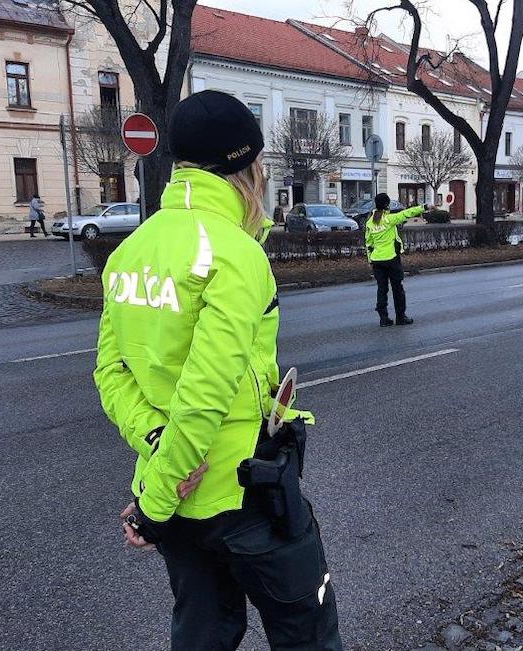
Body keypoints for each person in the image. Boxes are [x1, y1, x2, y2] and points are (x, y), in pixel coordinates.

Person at [93, 90, 342, 650]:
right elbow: (204, 398)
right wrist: (153, 508)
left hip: (177, 495)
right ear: (246, 165)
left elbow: (111, 373)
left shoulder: (130, 250)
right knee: (307, 633)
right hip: (243, 494)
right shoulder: (234, 254)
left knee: (202, 634)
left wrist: (157, 453)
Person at [364, 193, 429, 327]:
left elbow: (368, 243)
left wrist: (370, 260)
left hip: (377, 260)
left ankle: (383, 319)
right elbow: (407, 213)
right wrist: (425, 207)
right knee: (397, 289)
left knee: (382, 289)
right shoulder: (389, 219)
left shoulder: (370, 222)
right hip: (392, 259)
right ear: (387, 205)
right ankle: (400, 317)